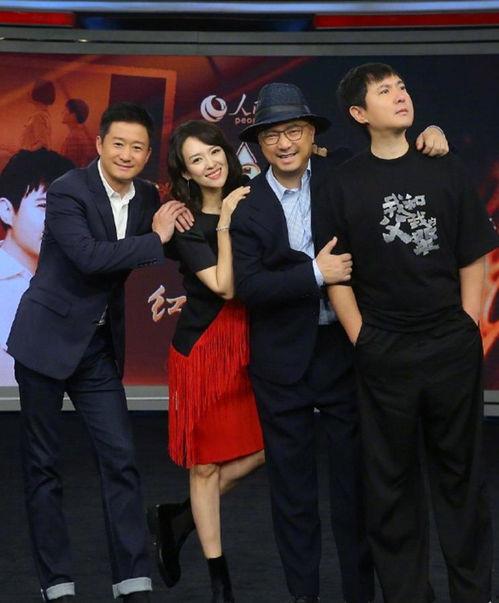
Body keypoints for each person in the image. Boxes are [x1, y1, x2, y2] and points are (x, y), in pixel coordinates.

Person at [229, 81, 449, 603]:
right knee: (293, 493)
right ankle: (303, 594)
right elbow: (249, 286)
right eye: (272, 135)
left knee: (356, 490)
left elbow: (394, 159)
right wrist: (315, 273)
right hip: (282, 364)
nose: (284, 143)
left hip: (345, 354)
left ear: (312, 134)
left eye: (294, 131)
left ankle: (359, 593)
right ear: (259, 144)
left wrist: (434, 136)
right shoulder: (247, 203)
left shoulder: (344, 174)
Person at [326, 63, 498, 603]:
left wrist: (467, 325)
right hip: (384, 352)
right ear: (359, 113)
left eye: (401, 87)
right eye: (385, 91)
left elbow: (473, 252)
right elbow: (335, 272)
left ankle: (473, 594)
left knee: (461, 480)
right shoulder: (344, 182)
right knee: (391, 487)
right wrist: (362, 337)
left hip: (450, 345)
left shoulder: (444, 167)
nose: (401, 96)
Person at [7, 102, 190, 603]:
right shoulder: (68, 191)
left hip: (97, 348)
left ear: (148, 154)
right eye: (119, 144)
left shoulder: (147, 195)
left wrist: (188, 220)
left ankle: (132, 581)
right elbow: (89, 257)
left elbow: (172, 239)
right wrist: (156, 237)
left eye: (138, 147)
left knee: (121, 460)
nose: (127, 154)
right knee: (43, 467)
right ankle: (56, 583)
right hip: (44, 342)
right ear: (100, 145)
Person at [147, 120, 265, 602]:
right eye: (196, 159)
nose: (210, 163)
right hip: (205, 351)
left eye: (214, 152)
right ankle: (220, 584)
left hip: (256, 345)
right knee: (204, 467)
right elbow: (225, 286)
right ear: (186, 173)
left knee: (276, 442)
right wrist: (225, 218)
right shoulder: (185, 222)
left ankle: (178, 517)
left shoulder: (256, 197)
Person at [0, 149, 74, 385]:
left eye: (65, 209)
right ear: (6, 211)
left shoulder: (72, 279)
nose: (56, 220)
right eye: (43, 205)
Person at [61, 98, 97, 167]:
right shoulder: (79, 134)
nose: (62, 112)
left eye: (65, 110)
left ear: (73, 115)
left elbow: (69, 164)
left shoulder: (74, 137)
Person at [21, 79, 55, 151]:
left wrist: (25, 153)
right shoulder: (43, 114)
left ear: (38, 92)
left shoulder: (38, 116)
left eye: (31, 89)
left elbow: (43, 144)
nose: (27, 92)